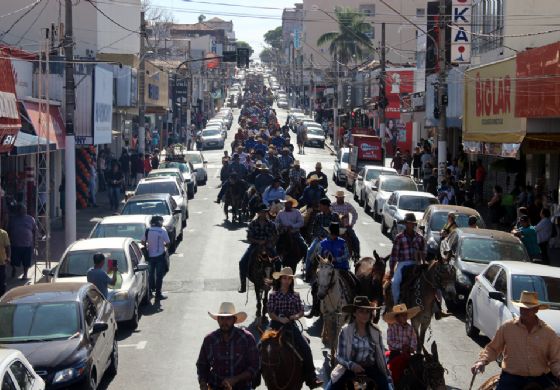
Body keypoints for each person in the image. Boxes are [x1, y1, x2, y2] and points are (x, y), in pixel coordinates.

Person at [471, 291, 560, 389]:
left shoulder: (549, 333)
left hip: (539, 378)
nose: (523, 311)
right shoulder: (507, 327)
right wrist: (482, 361)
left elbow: (555, 360)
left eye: (527, 308)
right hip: (511, 377)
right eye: (522, 308)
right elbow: (493, 348)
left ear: (536, 310)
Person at [267, 267, 323, 389]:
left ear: (292, 281)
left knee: (306, 347)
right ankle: (255, 376)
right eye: (284, 278)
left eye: (289, 279)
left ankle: (311, 376)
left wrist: (293, 317)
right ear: (280, 279)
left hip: (290, 325)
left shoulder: (295, 295)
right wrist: (280, 319)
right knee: (261, 345)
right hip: (275, 324)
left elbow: (301, 312)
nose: (286, 281)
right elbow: (270, 312)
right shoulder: (273, 294)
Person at [326, 296, 392, 390]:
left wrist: (386, 371)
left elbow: (381, 355)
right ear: (354, 313)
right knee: (331, 387)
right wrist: (352, 365)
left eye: (367, 312)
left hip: (371, 369)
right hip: (349, 370)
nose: (365, 315)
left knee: (387, 387)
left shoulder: (376, 332)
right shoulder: (345, 331)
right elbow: (339, 356)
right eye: (361, 311)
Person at [197, 302, 259, 390]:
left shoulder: (247, 338)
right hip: (216, 386)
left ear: (234, 320)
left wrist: (236, 379)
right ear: (218, 320)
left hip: (242, 387)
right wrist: (203, 383)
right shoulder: (209, 340)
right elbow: (202, 364)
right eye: (222, 318)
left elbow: (255, 366)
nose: (224, 322)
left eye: (228, 318)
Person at [238, 204, 278, 293]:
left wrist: (268, 241)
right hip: (255, 246)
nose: (263, 214)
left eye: (264, 212)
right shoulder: (252, 224)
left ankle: (277, 284)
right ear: (258, 213)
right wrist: (257, 241)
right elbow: (249, 237)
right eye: (261, 212)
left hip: (268, 246)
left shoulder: (271, 224)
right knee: (242, 262)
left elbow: (275, 236)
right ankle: (243, 285)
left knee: (278, 262)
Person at [389, 213, 426, 305]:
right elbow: (394, 255)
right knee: (395, 283)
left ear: (414, 224)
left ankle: (437, 307)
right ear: (405, 224)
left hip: (417, 263)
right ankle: (396, 303)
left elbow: (424, 252)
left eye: (412, 223)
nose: (410, 225)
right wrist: (391, 269)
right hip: (403, 263)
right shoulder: (399, 237)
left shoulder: (420, 238)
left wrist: (421, 254)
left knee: (432, 281)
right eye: (408, 223)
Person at [383, 303, 421, 386]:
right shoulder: (392, 327)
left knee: (419, 367)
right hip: (394, 353)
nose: (404, 317)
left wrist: (411, 348)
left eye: (405, 315)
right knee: (393, 369)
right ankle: (394, 384)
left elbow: (414, 341)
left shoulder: (410, 328)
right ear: (397, 317)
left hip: (407, 354)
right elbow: (390, 341)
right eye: (402, 315)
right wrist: (402, 347)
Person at [142, 215, 170, 300]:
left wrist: (148, 246)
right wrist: (163, 246)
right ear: (159, 222)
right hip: (160, 256)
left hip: (150, 257)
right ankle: (158, 294)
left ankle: (150, 292)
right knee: (159, 276)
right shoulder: (162, 231)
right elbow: (168, 243)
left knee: (150, 275)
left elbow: (143, 241)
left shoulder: (148, 231)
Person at [8, 205, 36, 280]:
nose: (23, 211)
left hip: (27, 244)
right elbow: (8, 230)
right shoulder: (13, 219)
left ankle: (25, 274)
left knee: (26, 261)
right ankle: (14, 269)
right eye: (21, 210)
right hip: (15, 244)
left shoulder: (30, 219)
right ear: (18, 211)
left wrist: (36, 242)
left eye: (24, 210)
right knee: (13, 260)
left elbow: (35, 230)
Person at [331, 191, 360, 258]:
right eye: (339, 197)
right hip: (335, 227)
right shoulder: (332, 206)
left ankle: (356, 255)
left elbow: (355, 214)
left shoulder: (347, 205)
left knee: (355, 239)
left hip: (346, 227)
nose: (341, 199)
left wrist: (351, 224)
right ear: (336, 197)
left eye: (342, 197)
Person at [0, 227, 10, 297]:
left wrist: (8, 257)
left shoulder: (3, 233)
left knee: (1, 284)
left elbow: (7, 247)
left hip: (1, 262)